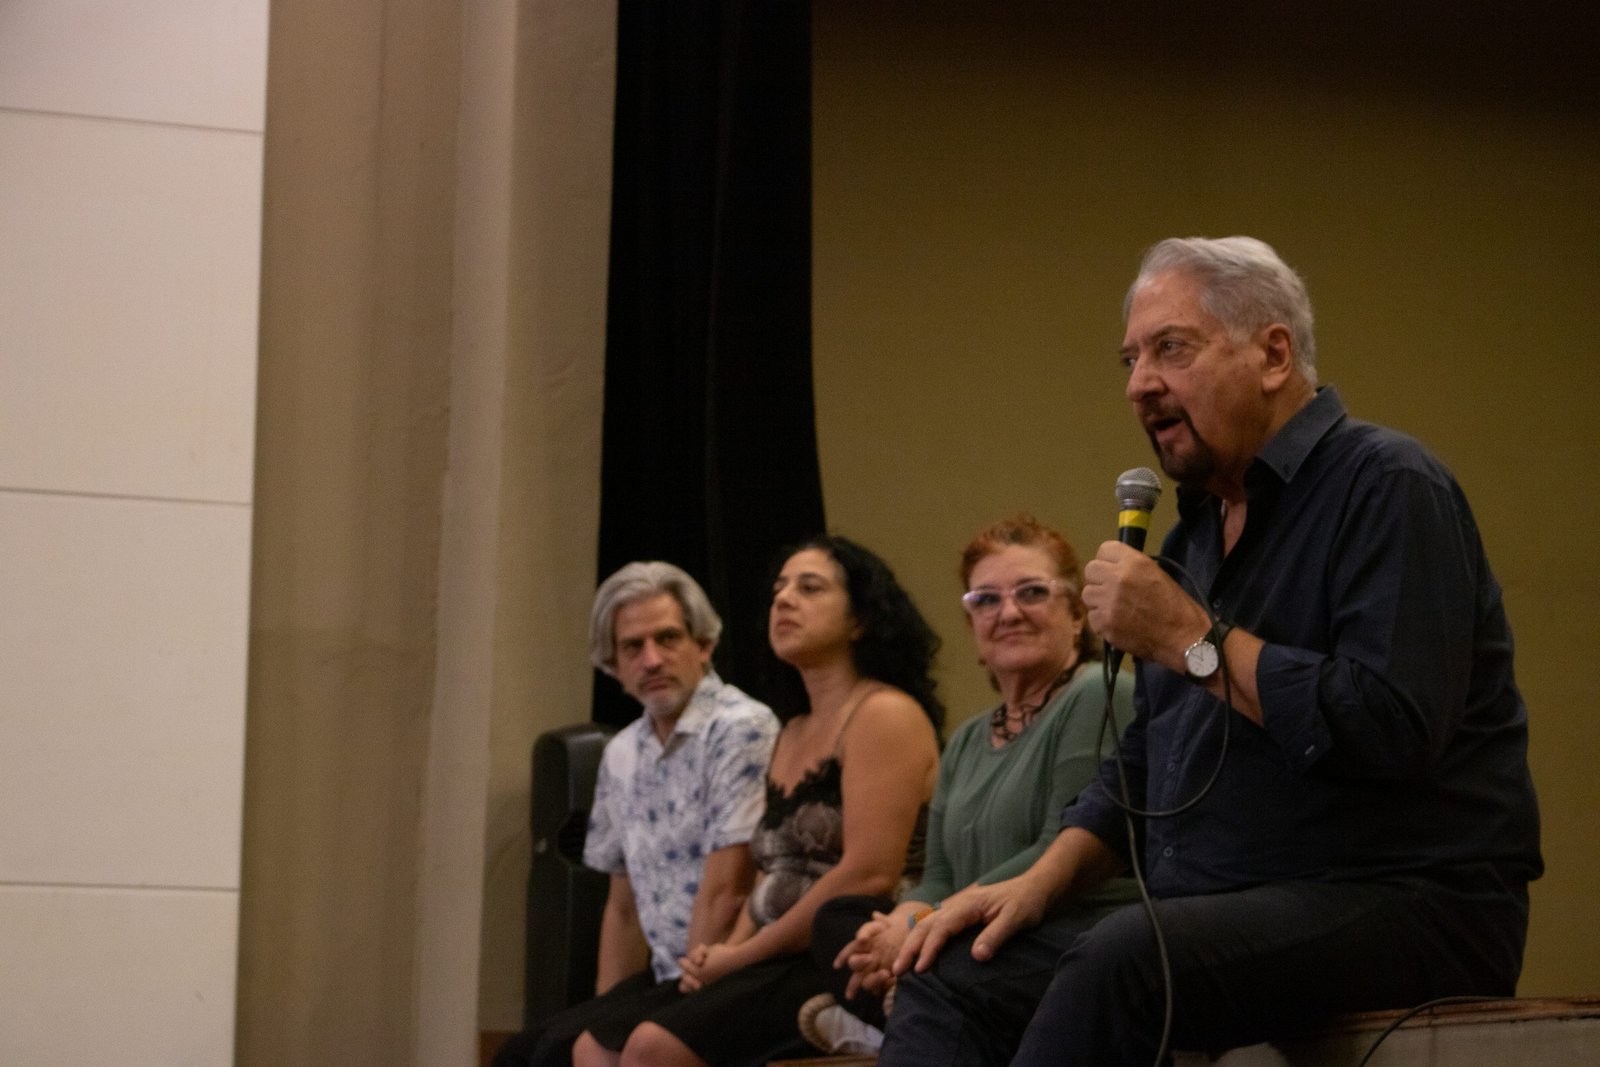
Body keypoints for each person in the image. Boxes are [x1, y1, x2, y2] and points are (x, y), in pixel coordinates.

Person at [886, 236, 1542, 1067]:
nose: (1138, 384)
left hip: (1406, 898)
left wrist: (1187, 638)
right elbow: (1150, 755)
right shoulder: (1196, 534)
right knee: (951, 969)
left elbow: (1391, 724)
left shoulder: (1389, 485)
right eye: (1130, 359)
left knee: (1121, 960)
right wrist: (1033, 883)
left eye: (1172, 348)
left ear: (1273, 354)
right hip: (1225, 908)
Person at [574, 535, 943, 1067]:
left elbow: (868, 874)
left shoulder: (885, 714)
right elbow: (772, 872)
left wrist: (742, 955)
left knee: (652, 1048)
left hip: (846, 954)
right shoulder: (792, 730)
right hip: (773, 950)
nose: (784, 600)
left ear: (861, 618)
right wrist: (724, 951)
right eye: (779, 590)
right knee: (592, 1044)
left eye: (809, 587)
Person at [804, 515, 1138, 1056]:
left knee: (931, 962)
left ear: (1077, 615)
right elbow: (938, 874)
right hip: (968, 937)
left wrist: (922, 928)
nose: (1008, 612)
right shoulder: (963, 741)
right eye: (985, 600)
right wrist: (906, 920)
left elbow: (1062, 843)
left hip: (1065, 932)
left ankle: (897, 1008)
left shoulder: (1098, 694)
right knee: (839, 922)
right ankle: (903, 1000)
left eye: (1031, 592)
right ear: (973, 632)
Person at [492, 562, 779, 1067]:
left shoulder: (740, 727)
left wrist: (670, 1005)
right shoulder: (622, 753)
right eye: (632, 647)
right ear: (612, 665)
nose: (651, 660)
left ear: (704, 645)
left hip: (726, 970)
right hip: (663, 976)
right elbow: (622, 910)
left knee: (602, 1049)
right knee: (523, 1053)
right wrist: (608, 1007)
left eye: (667, 638)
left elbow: (728, 888)